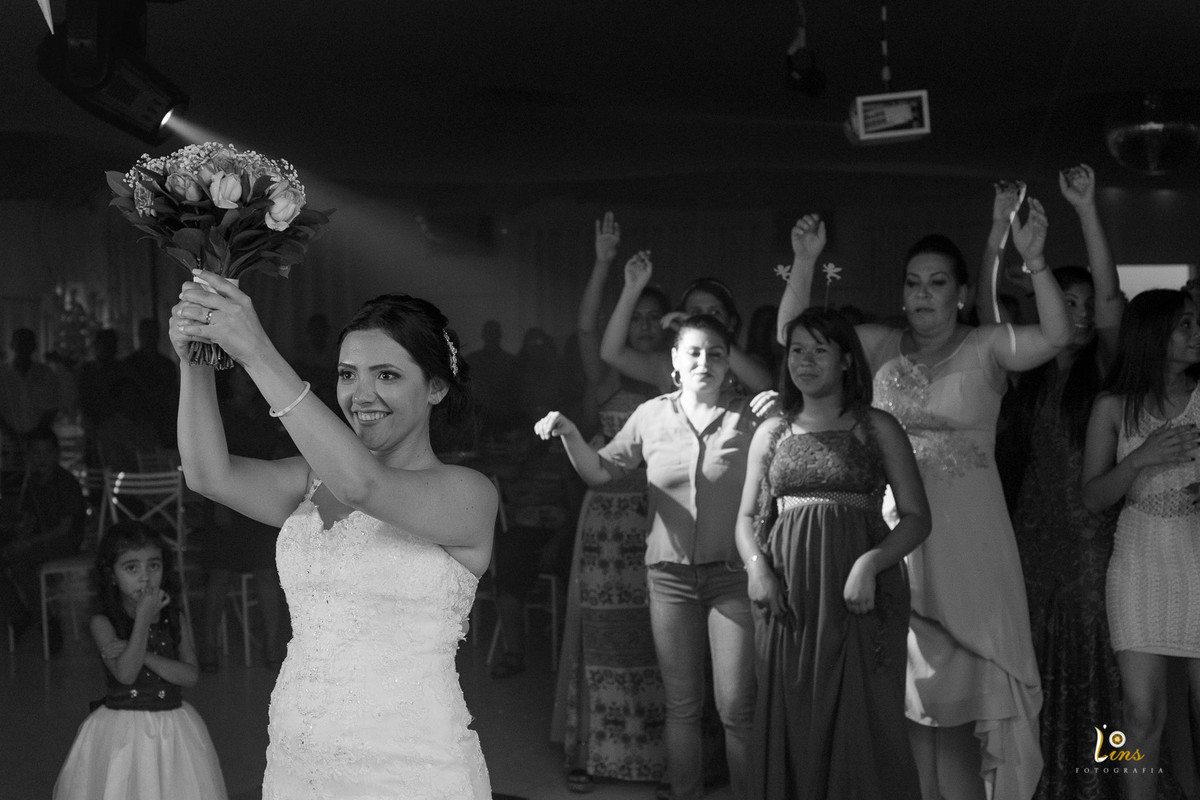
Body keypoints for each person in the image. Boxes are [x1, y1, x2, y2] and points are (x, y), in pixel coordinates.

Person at [777, 200, 1071, 800]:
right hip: (898, 540)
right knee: (908, 701)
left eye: (938, 284)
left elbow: (1058, 336)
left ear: (962, 293)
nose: (923, 295)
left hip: (971, 543)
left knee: (969, 698)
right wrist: (804, 263)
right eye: (913, 283)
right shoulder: (880, 344)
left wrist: (1035, 261)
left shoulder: (988, 346)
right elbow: (796, 339)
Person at [171, 272, 496, 798]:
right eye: (348, 374)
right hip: (299, 755)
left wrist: (256, 351)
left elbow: (364, 485)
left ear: (436, 387)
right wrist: (197, 358)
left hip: (413, 766)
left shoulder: (470, 494)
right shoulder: (309, 478)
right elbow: (208, 474)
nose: (361, 394)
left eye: (387, 375)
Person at [536, 313, 758, 800]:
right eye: (693, 352)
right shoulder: (652, 414)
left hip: (731, 579)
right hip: (669, 579)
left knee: (736, 708)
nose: (704, 361)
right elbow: (599, 472)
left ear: (728, 366)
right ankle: (685, 793)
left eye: (715, 354)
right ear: (674, 363)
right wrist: (571, 432)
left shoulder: (750, 416)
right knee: (681, 705)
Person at [735, 308, 930, 799]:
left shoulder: (877, 426)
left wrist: (871, 563)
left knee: (864, 720)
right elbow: (743, 519)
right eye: (798, 350)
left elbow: (916, 517)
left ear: (846, 360)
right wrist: (757, 570)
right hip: (787, 595)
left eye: (820, 349)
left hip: (858, 595)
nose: (805, 360)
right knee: (791, 716)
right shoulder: (772, 431)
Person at [996, 165, 1129, 800]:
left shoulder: (1105, 373)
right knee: (1035, 660)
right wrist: (999, 231)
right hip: (1029, 537)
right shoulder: (1024, 374)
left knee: (1096, 663)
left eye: (1081, 305)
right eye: (1064, 302)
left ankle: (1104, 781)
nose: (1077, 314)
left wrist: (1086, 210)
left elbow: (1109, 298)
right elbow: (987, 310)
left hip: (1089, 540)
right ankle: (1040, 779)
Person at [551, 211, 670, 791]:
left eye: (653, 319)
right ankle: (589, 754)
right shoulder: (607, 381)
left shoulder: (679, 384)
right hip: (606, 523)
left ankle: (663, 759)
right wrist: (603, 265)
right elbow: (583, 329)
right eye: (636, 317)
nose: (643, 328)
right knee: (600, 634)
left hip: (662, 521)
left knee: (661, 638)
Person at [1081, 289, 1200, 800]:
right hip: (1138, 559)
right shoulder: (1112, 406)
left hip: (1196, 553)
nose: (1196, 334)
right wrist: (1140, 458)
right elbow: (1092, 497)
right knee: (1140, 712)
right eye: (1185, 325)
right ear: (1152, 334)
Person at [52, 520, 227, 800]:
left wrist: (144, 654)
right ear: (111, 575)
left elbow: (190, 676)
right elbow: (126, 674)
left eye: (153, 566)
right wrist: (144, 617)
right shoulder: (103, 623)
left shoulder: (174, 618)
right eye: (131, 568)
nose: (144, 577)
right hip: (122, 733)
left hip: (173, 729)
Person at [196, 367, 291, 672]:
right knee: (221, 573)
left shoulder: (265, 412)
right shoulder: (221, 412)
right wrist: (218, 503)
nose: (248, 380)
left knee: (267, 571)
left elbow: (276, 451)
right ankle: (208, 646)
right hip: (226, 498)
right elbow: (208, 456)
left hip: (261, 496)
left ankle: (274, 646)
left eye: (251, 375)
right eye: (242, 375)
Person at [600, 252, 774, 397]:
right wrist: (631, 289)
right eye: (696, 313)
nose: (705, 321)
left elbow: (764, 384)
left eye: (715, 313)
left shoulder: (746, 364)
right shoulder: (670, 365)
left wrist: (707, 333)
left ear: (731, 323)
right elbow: (611, 353)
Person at [0, 427, 86, 648]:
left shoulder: (65, 482)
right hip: (42, 541)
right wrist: (18, 535)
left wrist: (27, 542)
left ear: (56, 454)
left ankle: (47, 622)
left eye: (46, 452)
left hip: (65, 543)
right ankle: (19, 614)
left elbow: (64, 529)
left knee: (21, 564)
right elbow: (29, 520)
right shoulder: (33, 483)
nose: (41, 459)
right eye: (36, 454)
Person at [0, 328, 62, 445]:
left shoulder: (46, 373)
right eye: (20, 342)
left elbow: (53, 406)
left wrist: (36, 434)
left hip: (39, 440)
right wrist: (10, 433)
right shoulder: (2, 374)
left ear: (34, 346)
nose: (23, 347)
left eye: (27, 342)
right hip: (7, 440)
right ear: (12, 345)